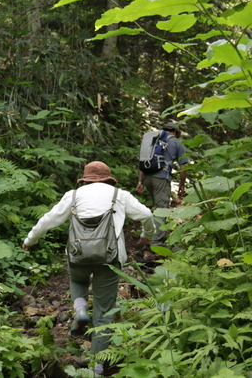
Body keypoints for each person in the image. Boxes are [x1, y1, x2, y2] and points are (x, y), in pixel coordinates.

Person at [22, 161, 154, 377]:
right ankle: (97, 367)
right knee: (103, 314)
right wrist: (145, 235)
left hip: (78, 256)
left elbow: (49, 220)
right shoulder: (119, 195)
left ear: (85, 178)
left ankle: (81, 309)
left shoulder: (73, 196)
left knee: (77, 281)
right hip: (110, 259)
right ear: (108, 178)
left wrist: (30, 239)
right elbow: (147, 215)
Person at [136, 121, 189, 247]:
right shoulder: (176, 142)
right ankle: (155, 242)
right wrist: (182, 184)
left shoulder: (153, 140)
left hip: (147, 177)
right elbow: (183, 166)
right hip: (161, 178)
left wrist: (140, 182)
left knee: (157, 208)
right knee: (161, 209)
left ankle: (154, 236)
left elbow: (142, 162)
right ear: (176, 132)